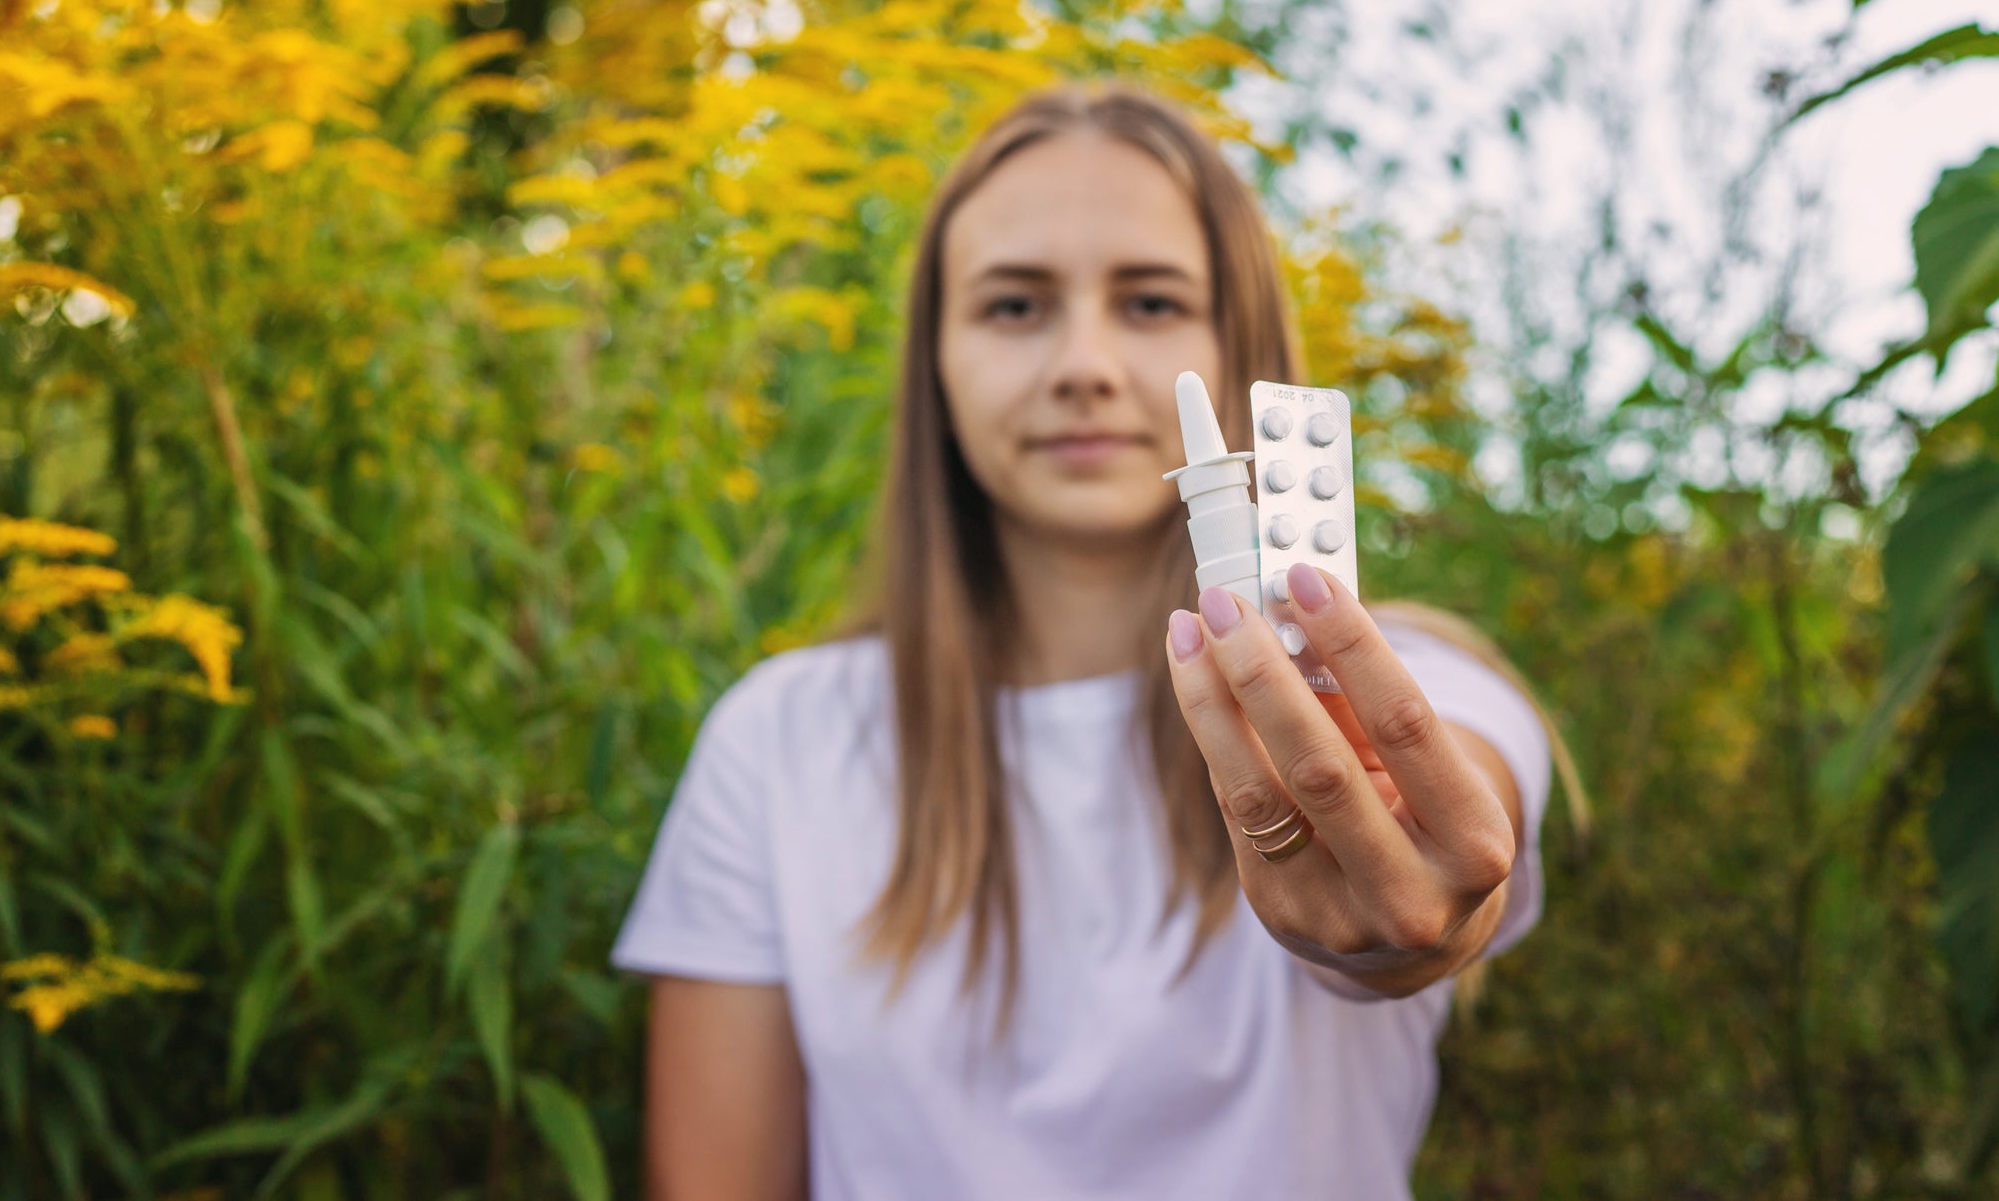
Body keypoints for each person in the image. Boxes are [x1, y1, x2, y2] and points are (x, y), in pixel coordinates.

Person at [610, 82, 1562, 1200]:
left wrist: (1395, 916)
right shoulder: (780, 742)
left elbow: (1440, 857)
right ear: (936, 367)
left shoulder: (1411, 686)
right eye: (1015, 306)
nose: (1085, 365)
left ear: (1239, 342)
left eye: (1151, 303)